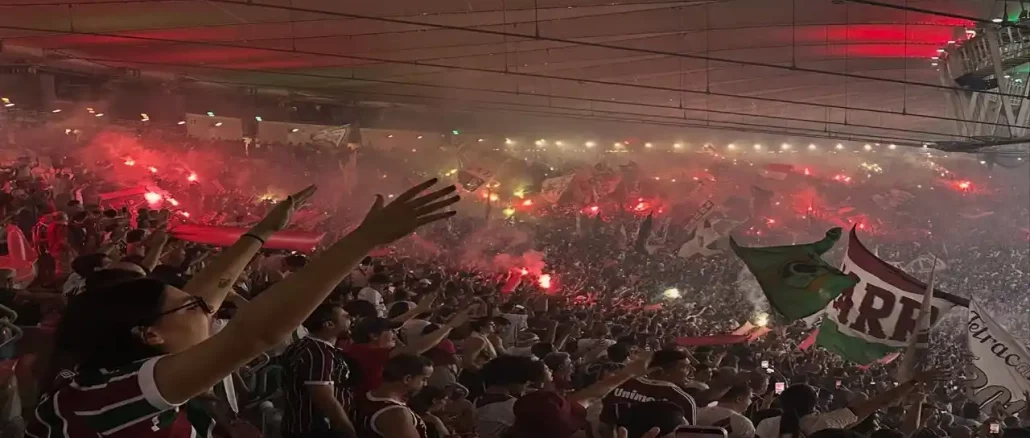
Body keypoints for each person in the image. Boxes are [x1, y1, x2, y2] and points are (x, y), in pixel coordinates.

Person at [26, 179, 460, 437]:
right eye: (194, 310)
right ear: (149, 333)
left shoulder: (105, 374)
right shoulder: (115, 392)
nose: (209, 311)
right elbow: (254, 334)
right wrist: (363, 240)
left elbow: (206, 292)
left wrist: (262, 233)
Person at [754, 370, 940, 438]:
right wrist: (914, 381)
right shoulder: (828, 423)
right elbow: (880, 400)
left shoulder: (766, 424)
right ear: (814, 404)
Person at [280, 303, 356, 438]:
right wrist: (349, 431)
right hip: (315, 430)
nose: (351, 320)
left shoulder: (304, 345)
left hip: (298, 425)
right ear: (329, 325)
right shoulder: (318, 354)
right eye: (346, 317)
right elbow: (325, 400)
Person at [600, 349, 698, 431]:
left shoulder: (617, 384)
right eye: (686, 367)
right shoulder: (682, 399)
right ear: (663, 371)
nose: (692, 370)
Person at [353, 353, 434, 438]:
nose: (425, 384)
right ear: (407, 379)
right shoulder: (397, 415)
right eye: (424, 379)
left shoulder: (367, 397)